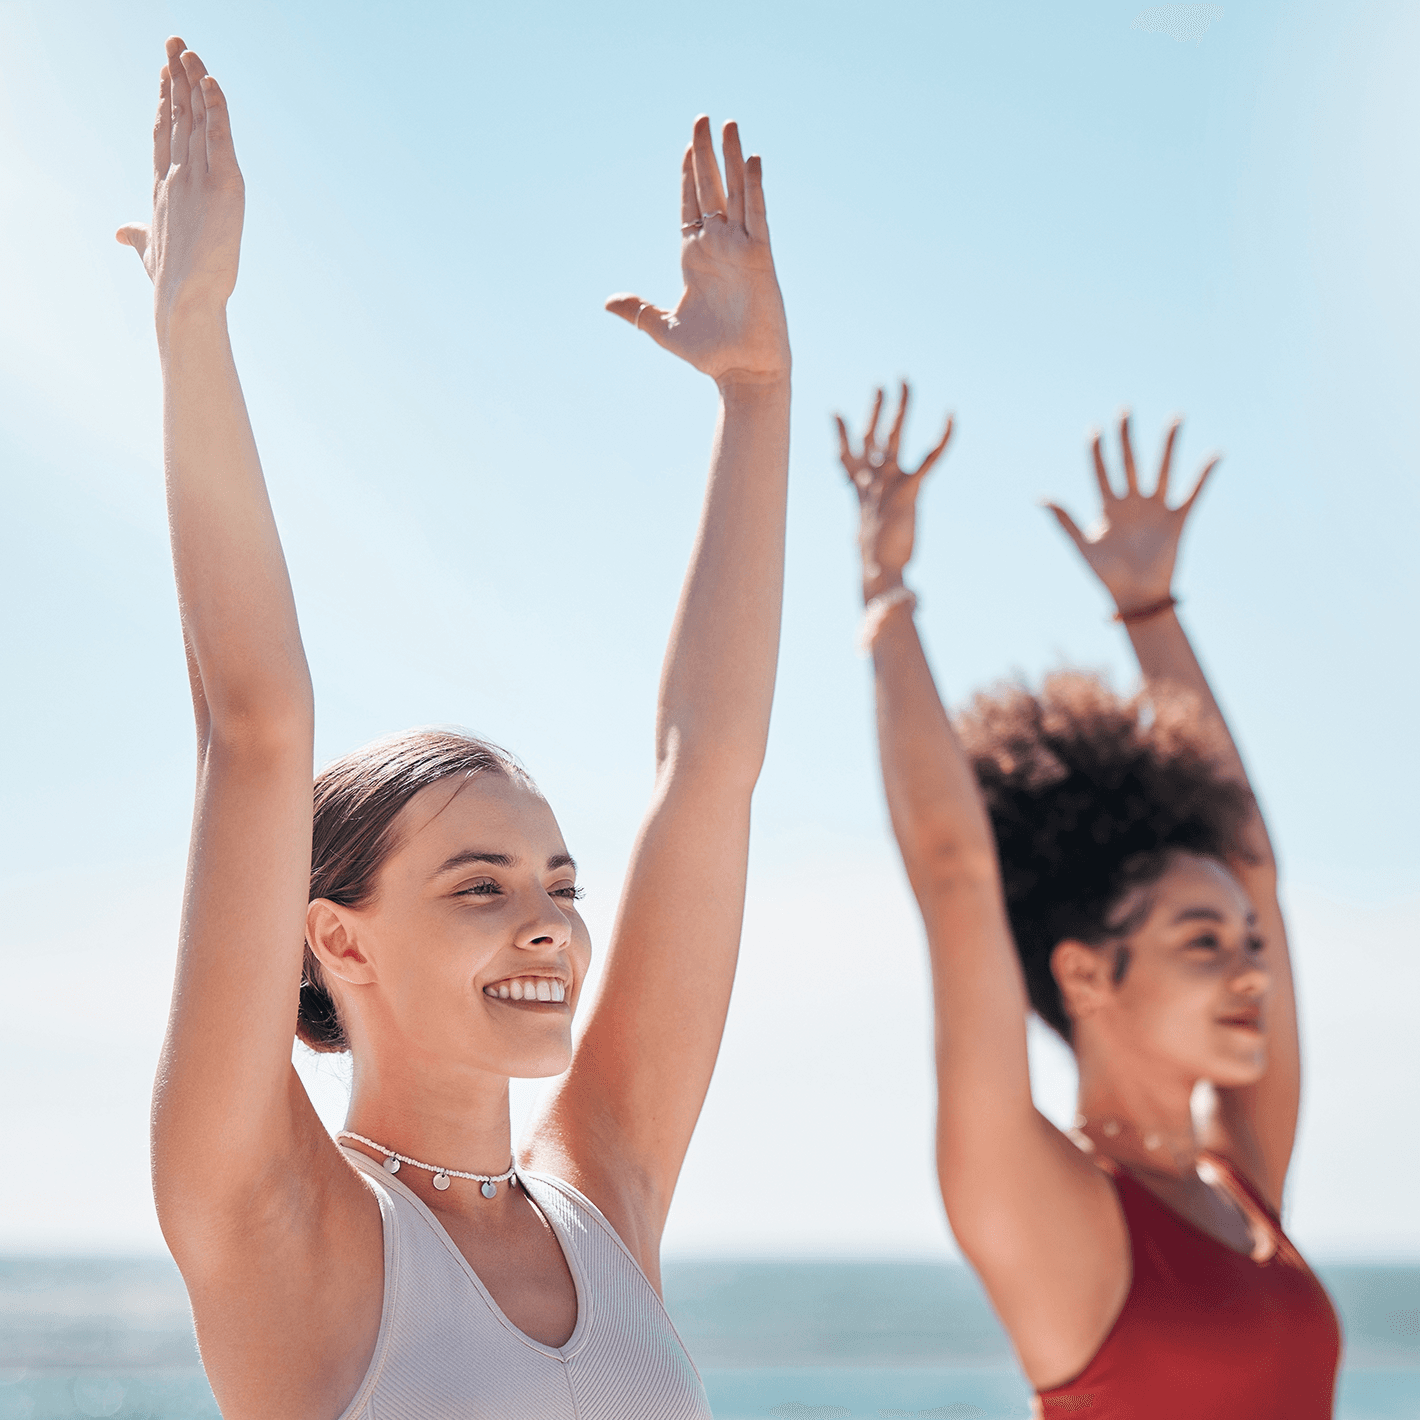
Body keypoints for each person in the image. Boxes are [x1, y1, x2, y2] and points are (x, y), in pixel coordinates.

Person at [116, 36, 791, 1420]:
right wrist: (194, 330)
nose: (548, 923)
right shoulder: (276, 1220)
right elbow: (255, 727)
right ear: (336, 936)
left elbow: (707, 777)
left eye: (556, 884)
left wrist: (756, 400)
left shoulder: (603, 1197)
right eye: (480, 887)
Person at [836, 386, 1339, 1418]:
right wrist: (884, 595)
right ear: (1082, 970)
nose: (1251, 968)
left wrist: (1149, 613)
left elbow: (1254, 873)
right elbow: (955, 876)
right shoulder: (1047, 1203)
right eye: (1202, 943)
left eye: (1242, 944)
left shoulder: (1237, 1176)